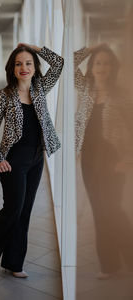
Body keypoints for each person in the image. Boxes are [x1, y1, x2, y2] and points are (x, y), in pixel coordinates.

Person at [0, 43, 64, 278]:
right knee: (12, 210)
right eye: (18, 63)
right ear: (12, 69)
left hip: (36, 158)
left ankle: (14, 263)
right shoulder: (5, 95)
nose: (23, 67)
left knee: (25, 211)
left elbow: (59, 63)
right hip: (14, 160)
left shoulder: (40, 88)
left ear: (34, 68)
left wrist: (34, 47)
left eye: (28, 63)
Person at [75, 44, 133, 279]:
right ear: (92, 67)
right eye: (98, 63)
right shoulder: (86, 89)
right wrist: (92, 48)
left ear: (113, 67)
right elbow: (68, 63)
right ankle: (110, 265)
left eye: (106, 63)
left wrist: (128, 158)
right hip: (89, 160)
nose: (102, 67)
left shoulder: (122, 96)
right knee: (99, 211)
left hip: (113, 161)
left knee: (114, 211)